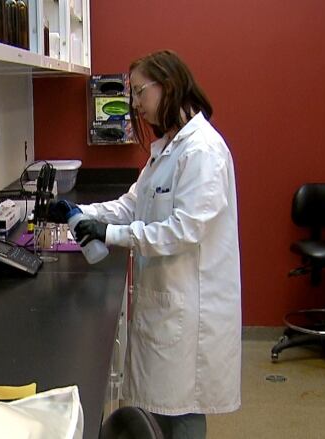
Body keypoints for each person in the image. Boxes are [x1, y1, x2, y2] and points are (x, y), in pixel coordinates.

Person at [49, 50, 241, 439]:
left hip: (191, 309)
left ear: (168, 86)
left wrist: (110, 235)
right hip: (169, 302)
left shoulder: (202, 151)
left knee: (183, 408)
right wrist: (79, 211)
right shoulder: (167, 149)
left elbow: (182, 231)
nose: (135, 104)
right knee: (164, 406)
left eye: (139, 93)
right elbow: (131, 205)